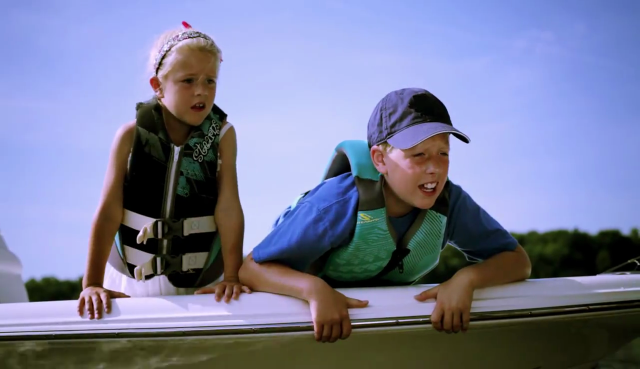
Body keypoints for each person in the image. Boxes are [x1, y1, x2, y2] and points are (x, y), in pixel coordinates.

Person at [239, 87, 532, 343]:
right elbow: (251, 268)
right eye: (419, 155)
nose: (435, 168)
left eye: (443, 153)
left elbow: (518, 262)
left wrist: (466, 279)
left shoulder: (450, 203)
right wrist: (313, 290)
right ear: (380, 159)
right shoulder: (335, 205)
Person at [77, 22, 249, 320]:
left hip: (202, 283)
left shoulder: (222, 135)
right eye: (188, 81)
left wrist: (232, 276)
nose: (201, 90)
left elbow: (229, 207)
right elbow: (108, 211)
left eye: (210, 81)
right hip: (130, 282)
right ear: (157, 86)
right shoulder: (130, 136)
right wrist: (92, 283)